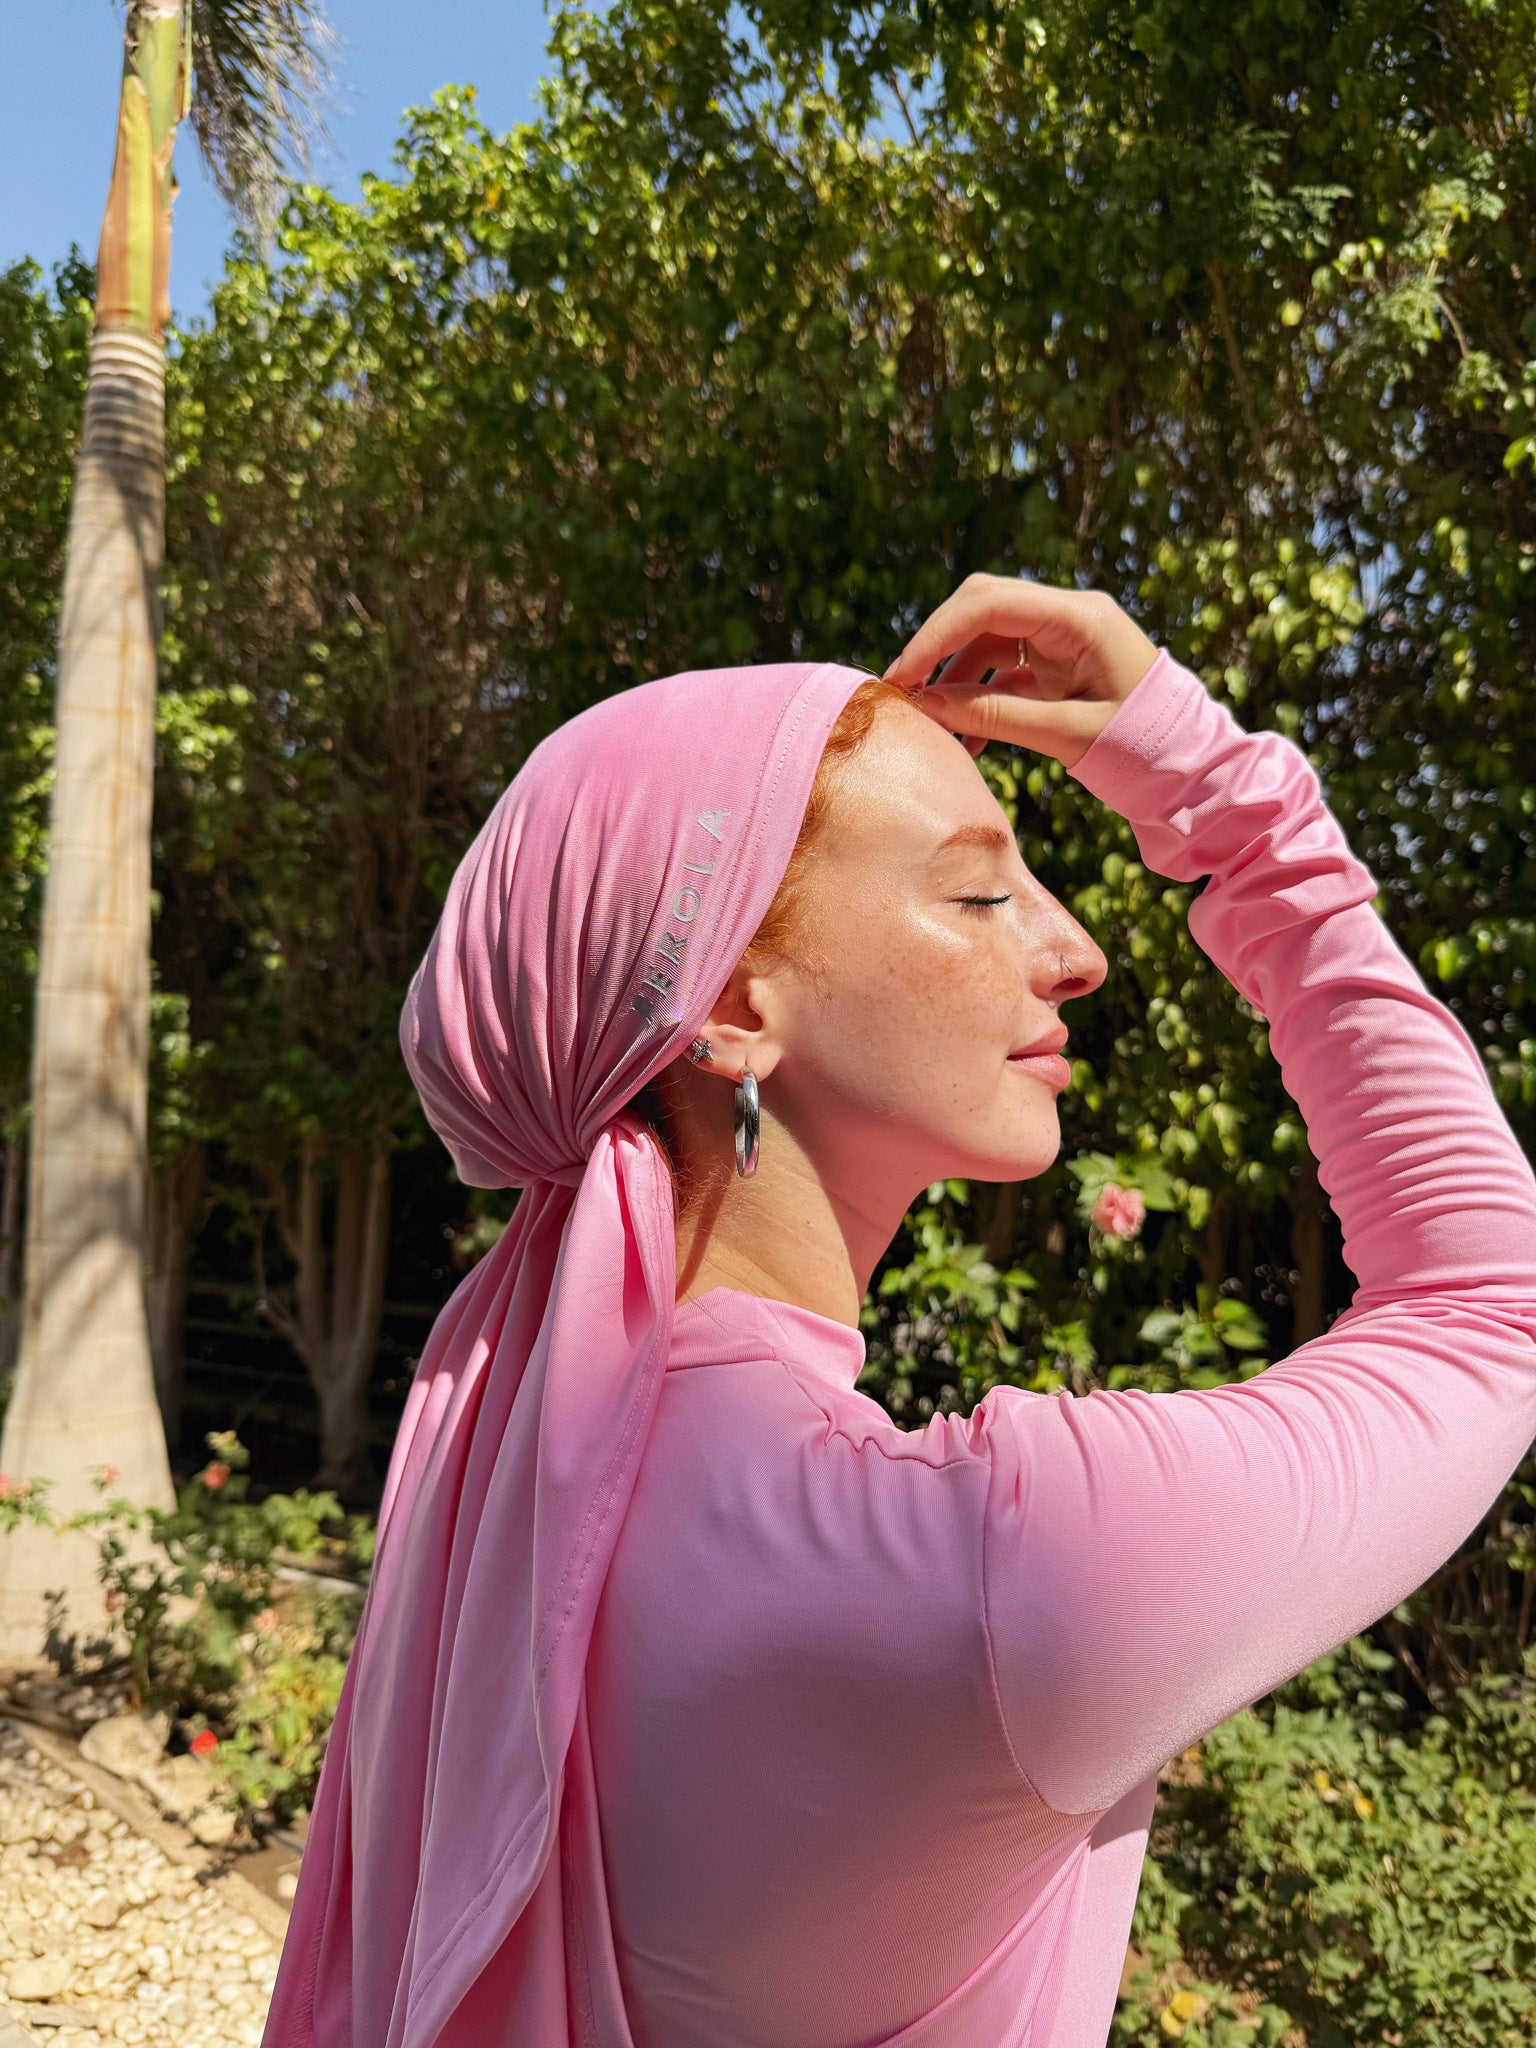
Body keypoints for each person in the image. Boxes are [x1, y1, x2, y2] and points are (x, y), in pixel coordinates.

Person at [262, 577, 1536, 2048]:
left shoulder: (512, 1485)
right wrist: (1227, 806)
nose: (1075, 951)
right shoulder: (1001, 1560)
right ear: (731, 1005)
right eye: (981, 891)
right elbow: (1493, 1301)